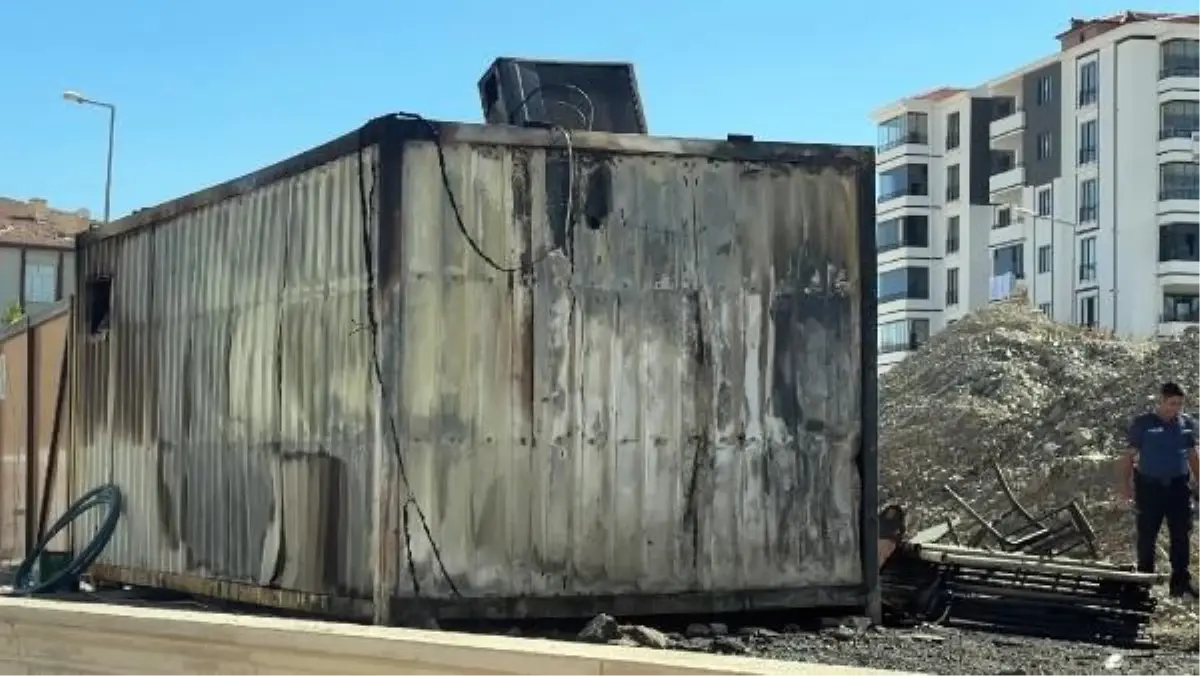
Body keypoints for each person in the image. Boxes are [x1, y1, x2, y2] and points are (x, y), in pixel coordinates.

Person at [1118, 381, 1200, 598]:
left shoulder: (1186, 424)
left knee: (1181, 536)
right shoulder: (1143, 424)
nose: (1176, 408)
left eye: (1180, 404)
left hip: (1178, 488)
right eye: (1172, 403)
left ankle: (1180, 583)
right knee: (1147, 537)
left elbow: (1192, 456)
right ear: (1161, 401)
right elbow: (1129, 457)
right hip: (1150, 489)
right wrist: (1125, 487)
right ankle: (1144, 583)